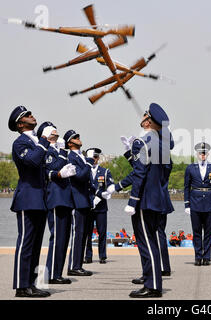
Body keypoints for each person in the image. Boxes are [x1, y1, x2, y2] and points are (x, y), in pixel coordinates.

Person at [107, 103, 173, 298]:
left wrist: (132, 201)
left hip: (144, 200)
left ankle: (152, 286)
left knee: (146, 243)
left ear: (148, 121)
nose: (142, 118)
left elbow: (139, 173)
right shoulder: (162, 145)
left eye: (145, 116)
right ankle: (151, 280)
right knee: (151, 240)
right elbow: (162, 173)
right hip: (157, 199)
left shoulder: (142, 143)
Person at [8, 106, 51, 298]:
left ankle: (31, 284)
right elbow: (32, 162)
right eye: (27, 115)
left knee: (35, 245)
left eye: (31, 113)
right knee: (25, 243)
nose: (32, 116)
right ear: (20, 124)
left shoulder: (35, 142)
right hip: (27, 198)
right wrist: (43, 141)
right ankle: (20, 286)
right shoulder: (20, 143)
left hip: (40, 199)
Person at [37, 121, 76, 285]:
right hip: (55, 197)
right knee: (58, 236)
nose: (57, 132)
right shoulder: (46, 150)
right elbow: (53, 168)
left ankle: (57, 272)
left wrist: (61, 152)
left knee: (64, 237)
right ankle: (52, 273)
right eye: (53, 130)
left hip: (65, 197)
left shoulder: (58, 151)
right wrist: (61, 152)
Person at [184, 142, 211, 266]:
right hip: (195, 203)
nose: (202, 155)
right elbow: (186, 187)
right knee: (197, 232)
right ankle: (198, 256)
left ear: (208, 154)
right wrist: (187, 204)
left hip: (210, 203)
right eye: (200, 153)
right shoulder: (190, 168)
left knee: (208, 232)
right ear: (197, 154)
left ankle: (207, 257)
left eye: (204, 153)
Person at [63, 130, 95, 277]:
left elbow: (88, 179)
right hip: (77, 200)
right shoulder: (71, 157)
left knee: (83, 234)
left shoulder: (80, 157)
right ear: (70, 143)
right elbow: (81, 177)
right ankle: (73, 266)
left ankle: (78, 265)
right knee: (78, 234)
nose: (78, 138)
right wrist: (88, 163)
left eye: (78, 137)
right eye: (75, 138)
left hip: (85, 199)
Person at [84, 148, 114, 264]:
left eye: (96, 157)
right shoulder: (85, 170)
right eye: (92, 158)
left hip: (101, 206)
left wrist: (107, 193)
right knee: (88, 232)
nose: (94, 160)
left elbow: (110, 185)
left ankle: (102, 256)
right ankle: (88, 256)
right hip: (88, 205)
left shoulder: (105, 171)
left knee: (102, 232)